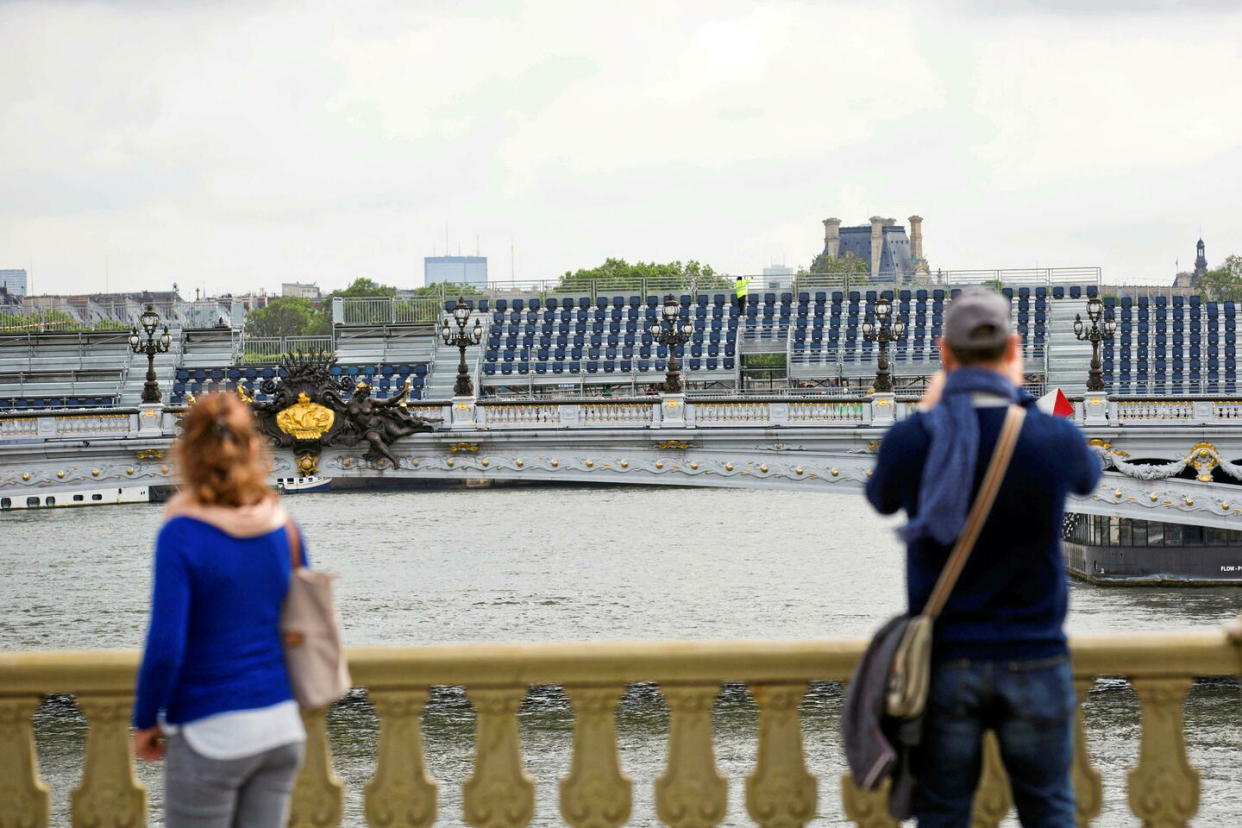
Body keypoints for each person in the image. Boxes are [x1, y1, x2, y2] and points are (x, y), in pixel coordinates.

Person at [864, 288, 1100, 827]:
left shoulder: (915, 437)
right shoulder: (1052, 436)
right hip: (1036, 654)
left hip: (948, 660)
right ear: (1013, 349)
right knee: (1049, 809)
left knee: (943, 811)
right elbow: (1087, 477)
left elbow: (881, 499)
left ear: (945, 355)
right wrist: (1019, 399)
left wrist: (929, 411)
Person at [132, 392, 306, 827]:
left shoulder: (182, 533)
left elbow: (166, 646)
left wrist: (145, 719)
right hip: (280, 725)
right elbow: (301, 623)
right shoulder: (283, 526)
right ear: (253, 448)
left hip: (212, 729)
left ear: (187, 454)